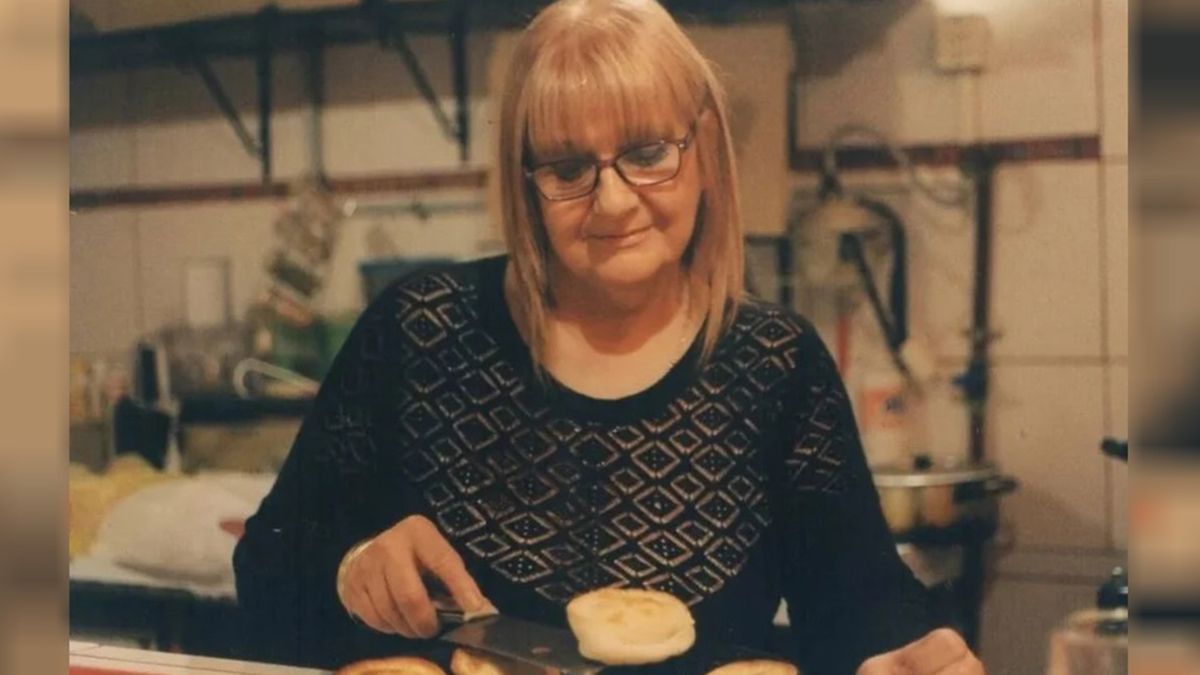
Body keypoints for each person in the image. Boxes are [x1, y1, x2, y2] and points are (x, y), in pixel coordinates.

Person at [233, 1, 985, 673]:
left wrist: (905, 648)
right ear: (525, 183)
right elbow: (266, 567)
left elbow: (857, 603)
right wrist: (352, 564)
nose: (615, 200)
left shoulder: (775, 365)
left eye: (647, 152)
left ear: (705, 151)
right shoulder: (420, 332)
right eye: (567, 167)